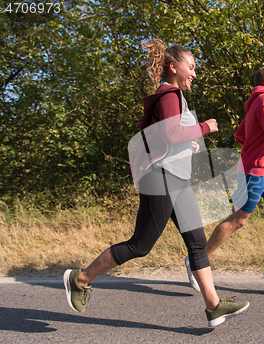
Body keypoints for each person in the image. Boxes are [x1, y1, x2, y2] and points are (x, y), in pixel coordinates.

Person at [63, 39, 249, 327]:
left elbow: (169, 136)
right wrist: (204, 128)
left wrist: (190, 145)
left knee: (198, 242)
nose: (195, 74)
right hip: (162, 177)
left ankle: (213, 306)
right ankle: (81, 279)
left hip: (178, 177)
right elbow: (171, 134)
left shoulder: (175, 96)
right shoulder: (169, 94)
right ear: (174, 67)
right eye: (192, 67)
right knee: (141, 245)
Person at [185, 66, 264, 291]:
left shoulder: (255, 104)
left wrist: (255, 150)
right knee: (238, 220)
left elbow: (241, 134)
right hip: (255, 171)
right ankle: (196, 260)